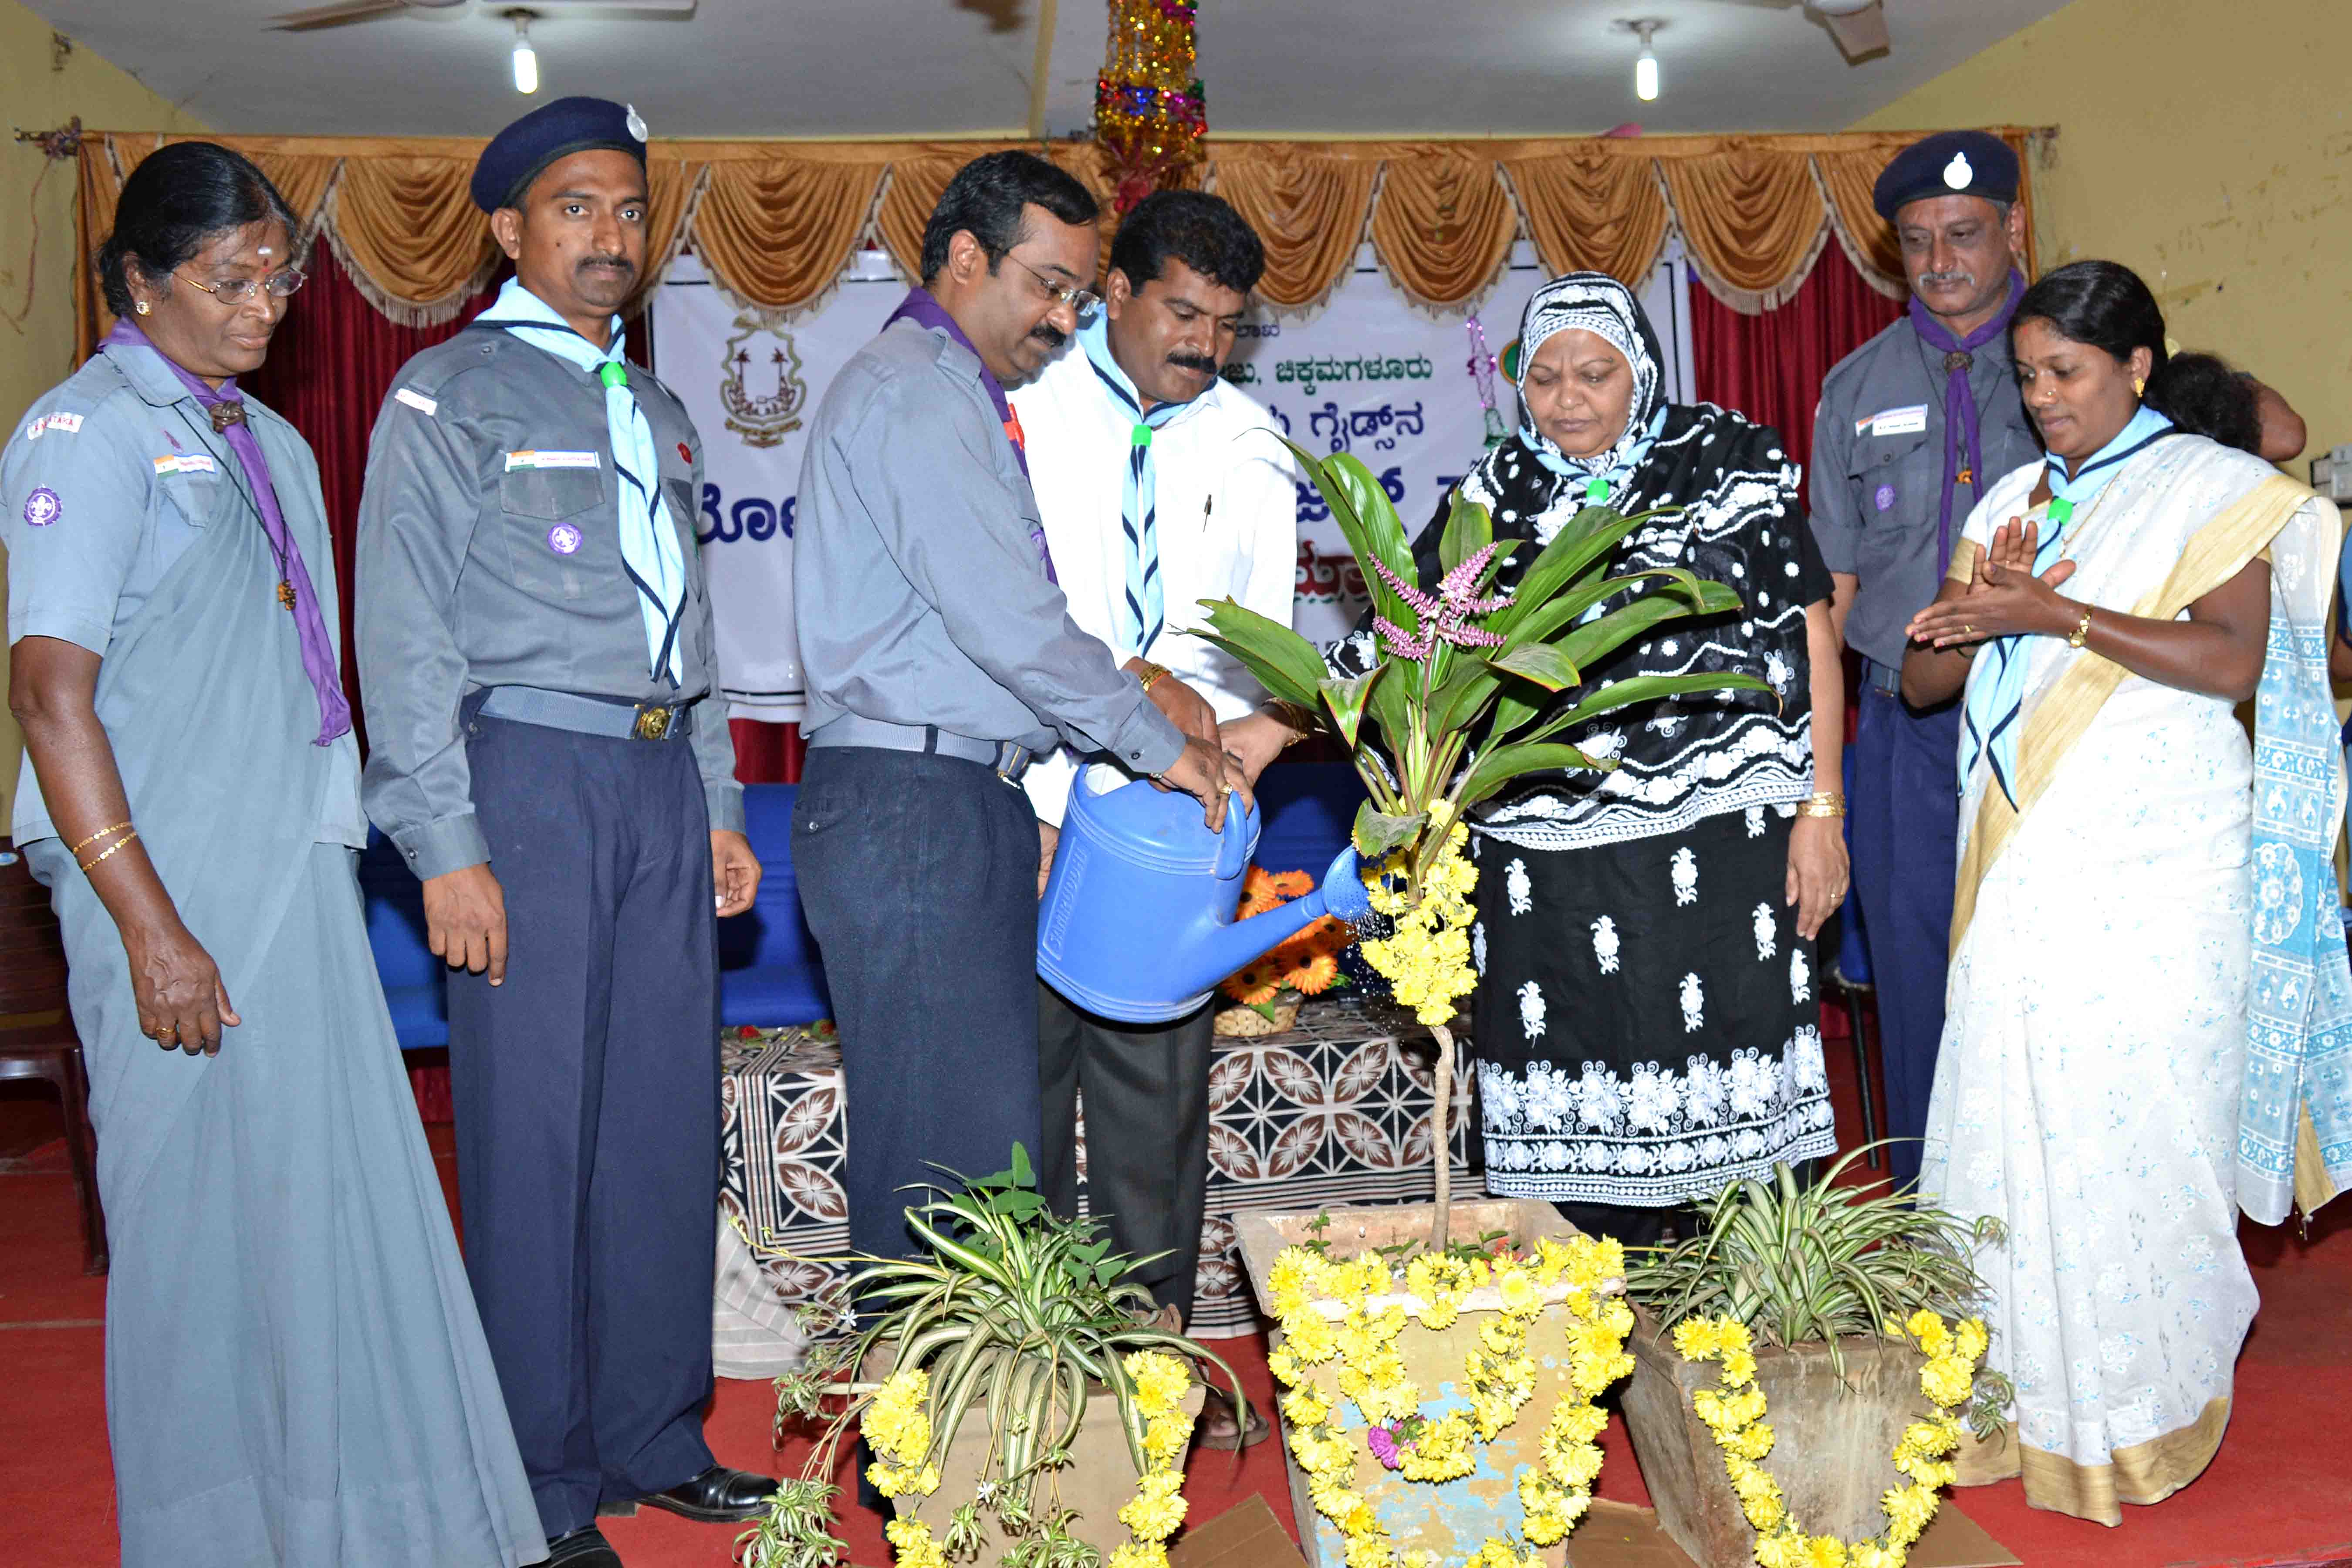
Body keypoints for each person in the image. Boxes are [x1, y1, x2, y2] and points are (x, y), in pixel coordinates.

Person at [2, 142, 544, 1566]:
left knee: (329, 1218)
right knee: (193, 1247)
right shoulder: (84, 434)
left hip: (293, 880)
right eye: (228, 279)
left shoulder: (278, 444)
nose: (264, 306)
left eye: (279, 276)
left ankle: (357, 1526)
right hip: (170, 895)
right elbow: (51, 691)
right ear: (138, 280)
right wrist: (150, 925)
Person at [355, 98, 772, 1567]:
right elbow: (399, 635)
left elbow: (697, 633)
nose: (611, 235)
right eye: (580, 208)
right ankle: (531, 1487)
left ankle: (654, 1435)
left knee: (659, 1127)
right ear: (510, 229)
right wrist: (442, 839)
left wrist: (720, 804)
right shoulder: (444, 394)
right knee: (532, 1144)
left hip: (663, 787)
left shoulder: (654, 409)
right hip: (523, 781)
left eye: (631, 211)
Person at [1901, 260, 2349, 1524]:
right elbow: (1920, 691)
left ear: (2139, 367)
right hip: (2023, 860)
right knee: (2013, 1120)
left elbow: (2230, 659)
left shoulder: (2213, 489)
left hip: (2158, 858)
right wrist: (1971, 614)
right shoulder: (2012, 498)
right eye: (2030, 376)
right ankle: (2023, 1406)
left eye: (2069, 374)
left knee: (2138, 1132)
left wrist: (2052, 609)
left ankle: (2142, 1411)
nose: (2043, 399)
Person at [1291, 272, 1846, 1245]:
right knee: (1574, 1106)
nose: (1568, 398)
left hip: (1721, 844)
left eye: (1596, 373)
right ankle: (1594, 1341)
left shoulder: (1724, 460)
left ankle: (1741, 1341)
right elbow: (1408, 633)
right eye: (1543, 378)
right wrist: (1285, 714)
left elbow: (1808, 638)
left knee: (1730, 1112)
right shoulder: (1496, 491)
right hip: (1548, 866)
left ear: (1643, 372)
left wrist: (1823, 809)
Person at [792, 151, 1240, 1281]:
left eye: (1079, 296)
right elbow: (1010, 619)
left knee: (973, 1157)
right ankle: (922, 1443)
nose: (1063, 317)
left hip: (952, 800)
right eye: (1047, 285)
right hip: (910, 808)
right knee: (946, 1173)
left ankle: (963, 1440)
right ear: (963, 258)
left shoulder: (959, 396)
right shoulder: (915, 393)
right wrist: (1163, 748)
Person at [1008, 189, 1295, 1446]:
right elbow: (998, 615)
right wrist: (1034, 804)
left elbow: (1264, 658)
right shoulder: (1018, 407)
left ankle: (1147, 1387)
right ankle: (1021, 1374)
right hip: (1021, 807)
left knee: (1153, 1117)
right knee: (1011, 1107)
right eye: (1181, 311)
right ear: (1110, 290)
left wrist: (1215, 801)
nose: (1203, 346)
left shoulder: (1251, 443)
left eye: (1227, 325)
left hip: (1171, 828)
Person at [1807, 131, 2044, 1195]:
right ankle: (1924, 1215)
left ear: (2014, 230)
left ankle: (2044, 1203)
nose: (1941, 258)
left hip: (2047, 707)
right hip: (1902, 722)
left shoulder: (2068, 360)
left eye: (1964, 233)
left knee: (2044, 958)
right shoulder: (1857, 385)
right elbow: (1836, 587)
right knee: (1910, 970)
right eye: (1917, 242)